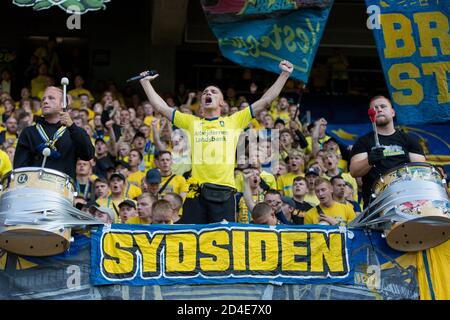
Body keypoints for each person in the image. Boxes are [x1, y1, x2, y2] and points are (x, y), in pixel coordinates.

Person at [139, 60, 294, 223]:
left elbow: (265, 101)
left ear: (222, 102)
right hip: (197, 193)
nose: (208, 94)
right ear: (200, 105)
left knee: (220, 241)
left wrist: (284, 75)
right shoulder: (192, 122)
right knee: (190, 239)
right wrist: (145, 83)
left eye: (213, 92)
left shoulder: (234, 121)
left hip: (224, 193)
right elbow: (161, 108)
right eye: (205, 92)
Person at [349, 95, 426, 208]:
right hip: (376, 205)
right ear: (371, 116)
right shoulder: (363, 142)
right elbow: (354, 171)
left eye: (383, 106)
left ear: (393, 112)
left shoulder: (409, 140)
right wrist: (369, 160)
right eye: (375, 108)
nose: (379, 109)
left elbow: (421, 171)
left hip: (407, 202)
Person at [13, 86, 94, 179]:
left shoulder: (73, 132)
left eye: (51, 98)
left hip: (62, 191)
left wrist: (72, 127)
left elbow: (88, 154)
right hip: (33, 189)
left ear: (63, 104)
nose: (45, 101)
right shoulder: (29, 132)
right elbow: (19, 168)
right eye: (43, 99)